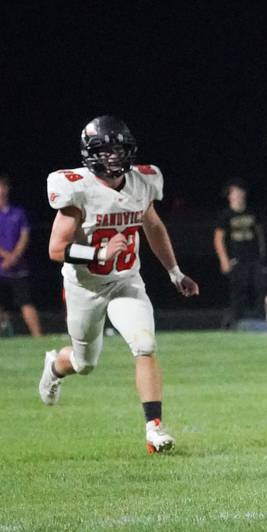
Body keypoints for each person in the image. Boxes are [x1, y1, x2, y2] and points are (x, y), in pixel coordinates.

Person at [39, 116, 199, 453]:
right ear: (90, 153)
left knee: (144, 344)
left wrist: (174, 272)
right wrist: (98, 251)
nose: (113, 157)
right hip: (85, 287)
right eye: (105, 150)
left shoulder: (143, 181)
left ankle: (154, 428)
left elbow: (153, 227)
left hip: (125, 282)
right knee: (84, 364)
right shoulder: (76, 188)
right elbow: (55, 249)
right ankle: (55, 366)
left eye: (119, 150)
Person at [213, 179, 267, 327]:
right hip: (236, 259)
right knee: (238, 290)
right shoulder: (226, 215)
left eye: (240, 192)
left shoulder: (252, 212)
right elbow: (218, 239)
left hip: (254, 257)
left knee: (259, 287)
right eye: (234, 193)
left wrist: (262, 256)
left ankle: (260, 320)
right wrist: (224, 260)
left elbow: (260, 234)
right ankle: (236, 322)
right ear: (229, 196)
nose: (238, 195)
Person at [0, 173, 43, 337]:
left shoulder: (18, 213)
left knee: (25, 301)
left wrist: (14, 257)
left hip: (18, 267)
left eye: (2, 186)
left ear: (7, 188)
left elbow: (24, 235)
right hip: (1, 265)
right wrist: (5, 256)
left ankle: (38, 337)